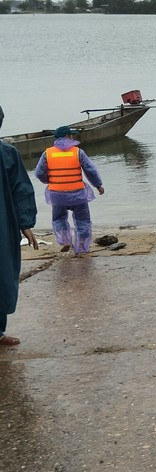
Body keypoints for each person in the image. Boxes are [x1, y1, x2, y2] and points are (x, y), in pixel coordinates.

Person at [1, 105, 38, 346]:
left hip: (2, 225)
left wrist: (26, 224)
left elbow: (20, 190)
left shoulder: (7, 153)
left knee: (3, 275)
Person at [34, 125, 104, 255]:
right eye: (71, 135)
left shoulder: (47, 153)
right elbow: (90, 171)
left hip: (57, 194)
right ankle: (82, 247)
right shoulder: (78, 152)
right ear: (67, 136)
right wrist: (98, 185)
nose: (73, 137)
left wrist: (49, 180)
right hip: (77, 194)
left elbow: (39, 173)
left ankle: (65, 241)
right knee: (83, 221)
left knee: (59, 219)